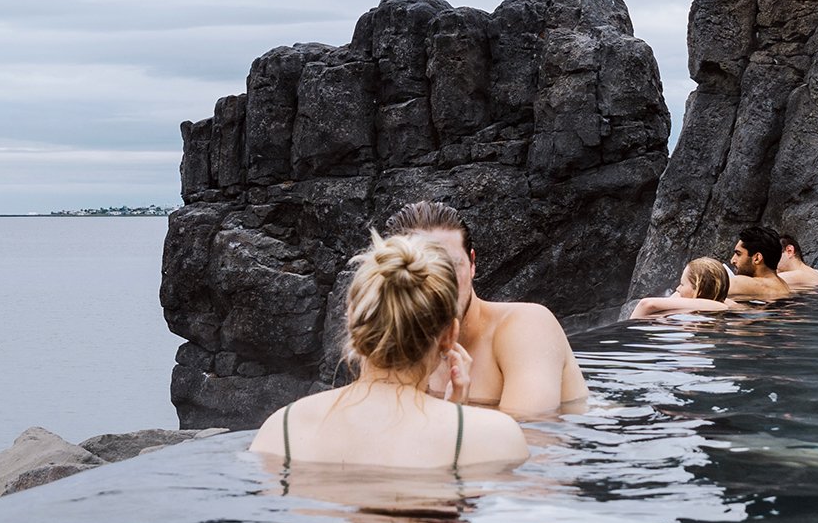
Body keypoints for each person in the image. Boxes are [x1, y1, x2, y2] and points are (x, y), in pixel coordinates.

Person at [249, 230, 528, 470]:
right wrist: (457, 420)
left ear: (351, 319)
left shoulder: (281, 430)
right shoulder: (496, 437)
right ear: (449, 336)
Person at [385, 200, 589, 419]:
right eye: (423, 270)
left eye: (449, 267)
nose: (439, 285)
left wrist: (454, 417)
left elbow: (532, 442)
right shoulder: (398, 345)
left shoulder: (527, 327)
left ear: (472, 263)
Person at [631, 257, 737, 318]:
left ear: (698, 290)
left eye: (682, 284)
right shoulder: (725, 306)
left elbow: (646, 304)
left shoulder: (678, 318)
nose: (678, 288)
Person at [724, 224, 792, 300]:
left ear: (757, 258)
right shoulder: (784, 285)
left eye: (738, 254)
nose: (732, 260)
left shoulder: (741, 284)